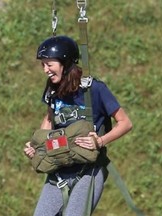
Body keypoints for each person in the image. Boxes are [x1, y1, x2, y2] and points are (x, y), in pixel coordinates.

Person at [24, 35, 132, 216]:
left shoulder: (94, 89)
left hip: (88, 173)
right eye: (42, 65)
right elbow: (50, 118)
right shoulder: (53, 88)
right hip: (58, 169)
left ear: (65, 63)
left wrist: (100, 141)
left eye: (49, 64)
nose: (45, 70)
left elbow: (125, 123)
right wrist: (37, 146)